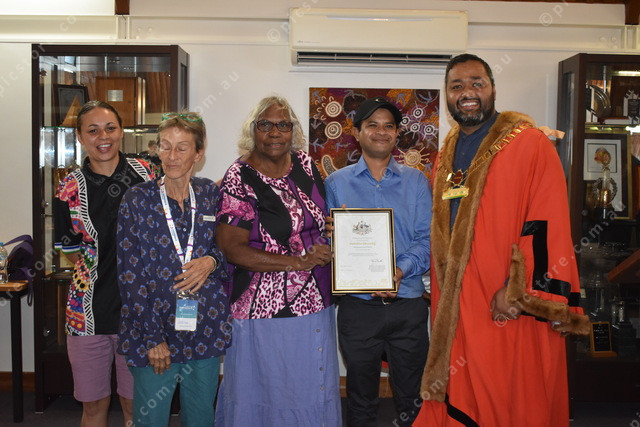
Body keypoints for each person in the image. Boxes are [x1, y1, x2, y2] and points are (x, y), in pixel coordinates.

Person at [414, 53, 590, 427]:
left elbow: (546, 221)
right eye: (456, 86)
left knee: (504, 389)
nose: (467, 92)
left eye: (477, 83)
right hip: (455, 299)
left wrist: (516, 290)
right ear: (447, 96)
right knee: (459, 382)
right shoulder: (446, 153)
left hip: (501, 296)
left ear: (493, 89)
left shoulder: (529, 144)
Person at [214, 96, 341, 426]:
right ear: (252, 130)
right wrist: (298, 262)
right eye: (265, 124)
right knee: (269, 392)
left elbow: (317, 220)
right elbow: (232, 248)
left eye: (283, 124)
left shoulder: (306, 165)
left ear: (293, 130)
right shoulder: (239, 176)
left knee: (311, 388)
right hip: (262, 309)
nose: (275, 132)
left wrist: (333, 227)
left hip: (316, 300)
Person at [117, 112, 231, 426]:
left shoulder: (210, 195)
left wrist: (211, 261)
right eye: (165, 146)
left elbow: (229, 249)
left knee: (201, 417)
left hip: (204, 329)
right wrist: (153, 338)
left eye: (182, 148)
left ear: (199, 152)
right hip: (153, 331)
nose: (171, 155)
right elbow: (129, 275)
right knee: (151, 419)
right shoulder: (137, 199)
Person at [324, 97, 431, 426]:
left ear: (397, 134)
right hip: (358, 309)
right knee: (361, 398)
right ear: (357, 133)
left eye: (388, 126)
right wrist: (331, 235)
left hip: (407, 305)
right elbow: (325, 246)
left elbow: (427, 240)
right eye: (372, 125)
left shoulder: (416, 181)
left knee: (412, 398)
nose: (381, 132)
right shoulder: (335, 183)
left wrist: (398, 271)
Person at [54, 100, 156, 426]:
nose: (103, 137)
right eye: (93, 130)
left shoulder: (149, 174)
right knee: (94, 405)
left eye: (110, 128)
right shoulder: (69, 187)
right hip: (87, 315)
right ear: (80, 137)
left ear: (122, 131)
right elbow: (69, 249)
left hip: (140, 313)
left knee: (136, 406)